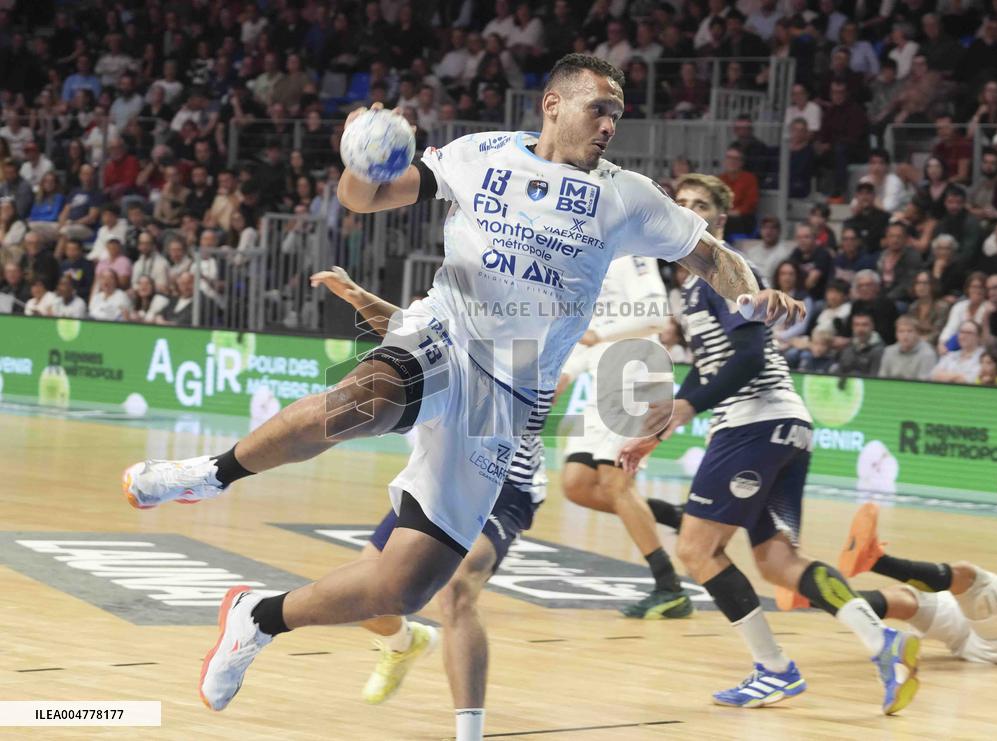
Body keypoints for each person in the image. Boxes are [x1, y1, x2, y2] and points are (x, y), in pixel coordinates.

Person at [121, 55, 804, 728]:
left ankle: (258, 616)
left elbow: (710, 253)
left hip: (504, 395)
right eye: (600, 109)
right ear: (554, 105)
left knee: (405, 584)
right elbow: (366, 199)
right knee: (369, 397)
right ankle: (211, 473)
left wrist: (755, 294)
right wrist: (361, 161)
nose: (609, 126)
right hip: (444, 332)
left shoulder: (626, 195)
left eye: (617, 115)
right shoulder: (481, 154)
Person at [617, 173, 920, 715]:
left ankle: (775, 668)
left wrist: (685, 409)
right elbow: (708, 368)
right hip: (785, 426)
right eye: (679, 204)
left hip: (753, 425)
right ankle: (883, 643)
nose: (687, 212)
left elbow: (751, 354)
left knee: (694, 549)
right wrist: (661, 429)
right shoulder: (689, 286)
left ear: (720, 219)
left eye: (700, 206)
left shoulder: (723, 271)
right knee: (780, 563)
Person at [313, 266, 548, 738]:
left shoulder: (529, 339)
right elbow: (411, 334)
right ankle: (403, 643)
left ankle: (469, 732)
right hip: (435, 480)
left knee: (458, 589)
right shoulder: (452, 328)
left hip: (503, 484)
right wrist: (360, 297)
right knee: (370, 596)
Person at [559, 245, 690, 620]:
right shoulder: (582, 258)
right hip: (603, 377)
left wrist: (598, 334)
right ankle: (677, 516)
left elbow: (653, 315)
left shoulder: (630, 249)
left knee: (616, 484)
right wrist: (566, 374)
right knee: (577, 484)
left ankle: (669, 588)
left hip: (635, 369)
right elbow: (588, 337)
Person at [839, 503, 997, 665]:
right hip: (975, 638)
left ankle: (875, 561)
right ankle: (818, 596)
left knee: (968, 578)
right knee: (904, 600)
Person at [878, 315, 938, 380]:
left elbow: (925, 383)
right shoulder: (889, 351)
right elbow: (882, 378)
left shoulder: (927, 354)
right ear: (896, 334)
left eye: (910, 331)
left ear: (918, 333)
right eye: (901, 331)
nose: (905, 335)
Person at [835, 308, 885, 376]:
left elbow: (875, 378)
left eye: (864, 325)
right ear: (852, 327)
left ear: (872, 326)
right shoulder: (847, 349)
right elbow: (837, 374)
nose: (860, 329)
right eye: (856, 325)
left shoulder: (880, 350)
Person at [932, 320, 984, 384]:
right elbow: (934, 375)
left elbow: (971, 380)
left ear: (978, 337)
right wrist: (957, 376)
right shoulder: (950, 355)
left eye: (969, 333)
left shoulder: (984, 357)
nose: (963, 336)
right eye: (961, 332)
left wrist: (946, 376)